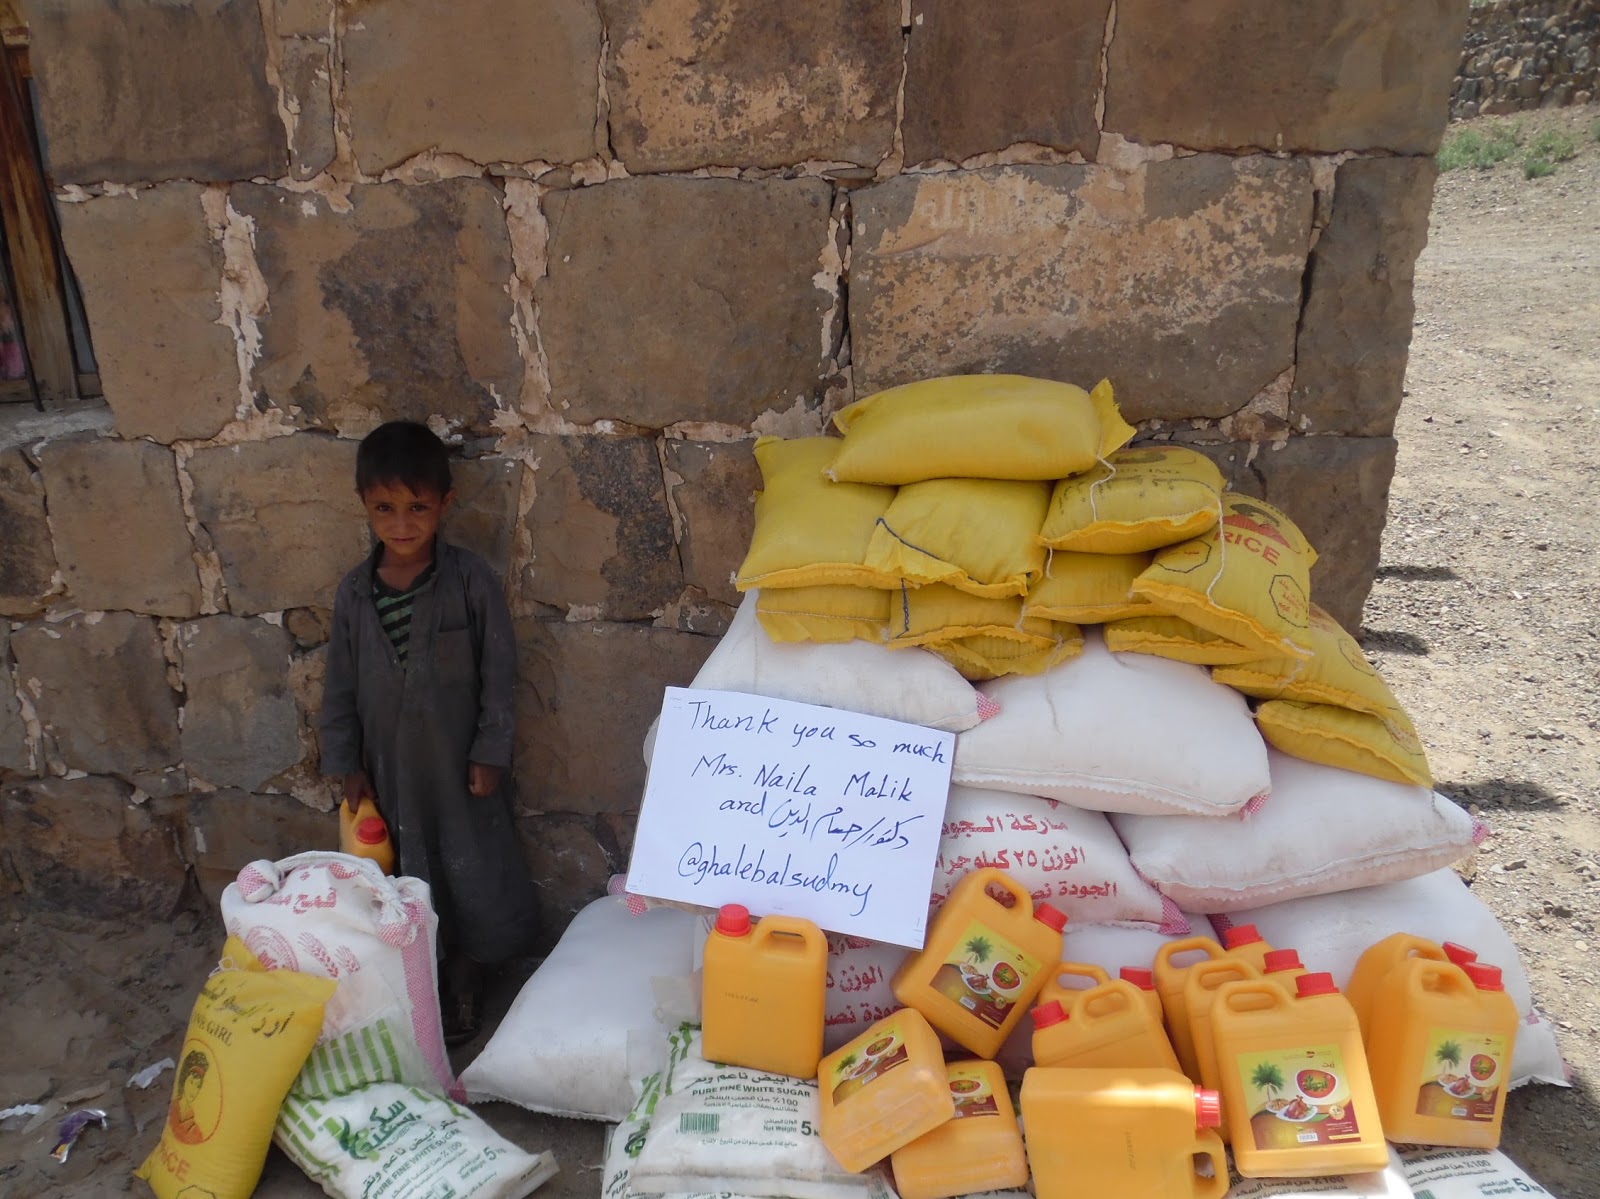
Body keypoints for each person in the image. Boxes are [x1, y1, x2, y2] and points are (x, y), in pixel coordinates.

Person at [320, 420, 540, 1044]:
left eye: (418, 506)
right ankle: (421, 974)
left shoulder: (470, 582)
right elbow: (338, 683)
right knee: (404, 875)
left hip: (460, 768)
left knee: (474, 869)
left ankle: (469, 973)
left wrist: (491, 748)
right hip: (387, 772)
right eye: (384, 508)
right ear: (364, 507)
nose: (402, 523)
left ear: (444, 504)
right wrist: (346, 762)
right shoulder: (354, 596)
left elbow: (500, 671)